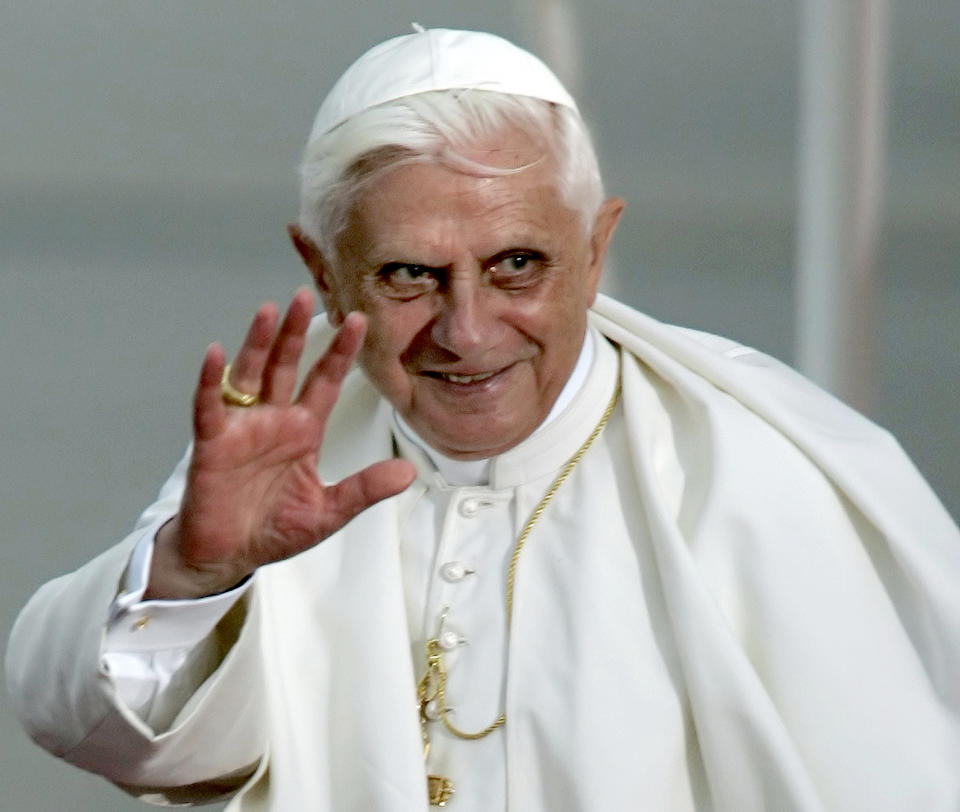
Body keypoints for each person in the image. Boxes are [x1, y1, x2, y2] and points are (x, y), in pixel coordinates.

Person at [6, 26, 960, 812]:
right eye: (409, 275)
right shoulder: (281, 467)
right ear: (321, 269)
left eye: (517, 265)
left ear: (596, 250)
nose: (466, 332)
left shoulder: (764, 475)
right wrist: (193, 575)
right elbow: (86, 725)